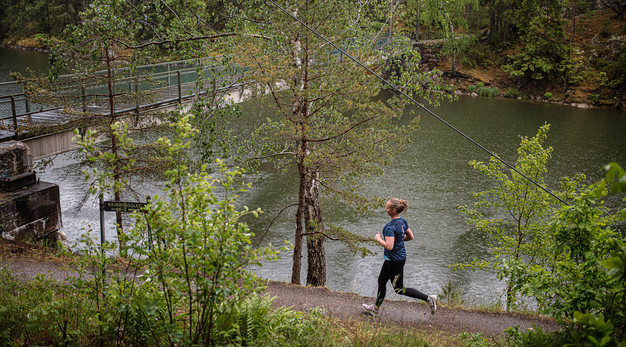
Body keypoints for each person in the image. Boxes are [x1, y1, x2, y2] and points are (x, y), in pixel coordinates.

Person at [361, 198, 437, 316]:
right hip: (393, 259)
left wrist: (378, 239)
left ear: (394, 210)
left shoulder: (389, 227)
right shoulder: (402, 221)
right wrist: (398, 241)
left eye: (387, 208)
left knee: (399, 289)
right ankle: (375, 309)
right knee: (381, 281)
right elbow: (411, 237)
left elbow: (389, 246)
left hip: (395, 261)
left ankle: (429, 299)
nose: (385, 209)